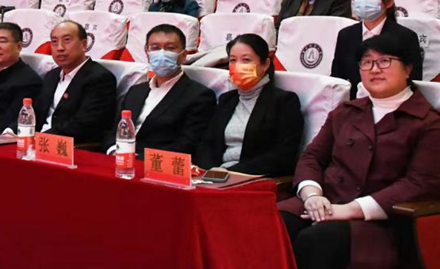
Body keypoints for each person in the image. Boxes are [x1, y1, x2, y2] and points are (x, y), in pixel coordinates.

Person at [278, 34, 440, 269]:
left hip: (382, 221)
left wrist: (350, 210)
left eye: (384, 61)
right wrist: (312, 195)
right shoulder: (346, 112)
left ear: (408, 69)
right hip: (324, 201)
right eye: (367, 62)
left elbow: (420, 184)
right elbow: (313, 157)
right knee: (273, 222)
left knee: (318, 240)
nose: (374, 69)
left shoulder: (430, 124)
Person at [195, 34, 303, 176]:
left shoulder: (284, 101)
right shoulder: (226, 100)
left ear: (265, 64)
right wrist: (210, 171)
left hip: (253, 177)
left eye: (246, 60)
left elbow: (282, 155)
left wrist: (230, 173)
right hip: (216, 176)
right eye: (233, 60)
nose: (238, 66)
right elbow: (207, 144)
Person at [105, 24, 215, 157]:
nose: (162, 54)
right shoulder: (136, 91)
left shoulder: (199, 95)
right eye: (155, 48)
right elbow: (114, 131)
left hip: (157, 163)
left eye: (170, 48)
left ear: (183, 55)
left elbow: (188, 144)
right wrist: (113, 150)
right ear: (147, 53)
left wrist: (139, 157)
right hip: (118, 158)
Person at [332, 0, 423, 93]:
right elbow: (337, 80)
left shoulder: (405, 37)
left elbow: (413, 82)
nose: (364, 0)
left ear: (389, 2)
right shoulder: (346, 35)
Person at [32, 21, 117, 144]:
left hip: (71, 145)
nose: (60, 48)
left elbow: (86, 124)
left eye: (67, 40)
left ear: (84, 44)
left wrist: (41, 138)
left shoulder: (100, 78)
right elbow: (35, 112)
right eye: (54, 42)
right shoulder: (51, 76)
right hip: (39, 141)